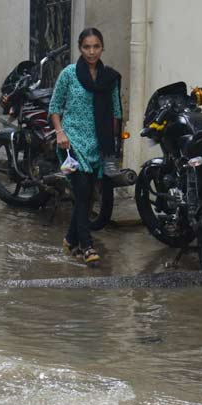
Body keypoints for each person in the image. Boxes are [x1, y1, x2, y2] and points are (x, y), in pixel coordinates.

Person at [48, 27, 122, 266]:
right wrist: (60, 133)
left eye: (96, 46)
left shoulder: (110, 78)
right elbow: (55, 107)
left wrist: (113, 146)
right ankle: (87, 246)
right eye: (86, 47)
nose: (91, 52)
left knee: (87, 195)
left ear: (102, 48)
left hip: (98, 142)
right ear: (80, 49)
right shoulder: (69, 74)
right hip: (72, 141)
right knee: (81, 190)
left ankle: (70, 239)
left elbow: (116, 113)